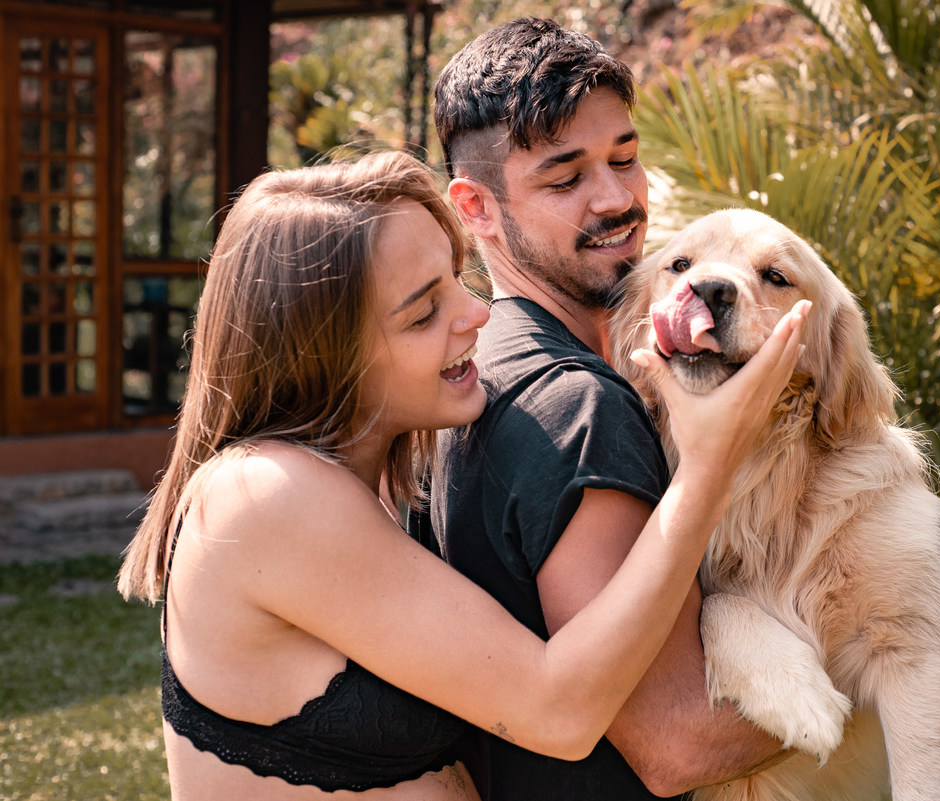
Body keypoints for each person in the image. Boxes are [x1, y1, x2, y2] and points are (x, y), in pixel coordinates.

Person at [116, 150, 808, 800]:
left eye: (456, 279)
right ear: (323, 353)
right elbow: (560, 710)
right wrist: (709, 466)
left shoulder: (376, 478)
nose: (476, 313)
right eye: (424, 311)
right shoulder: (265, 496)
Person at [420, 17, 798, 801]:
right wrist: (889, 636)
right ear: (476, 207)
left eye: (625, 159)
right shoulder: (576, 409)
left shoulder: (471, 371)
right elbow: (678, 741)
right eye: (565, 179)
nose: (618, 198)